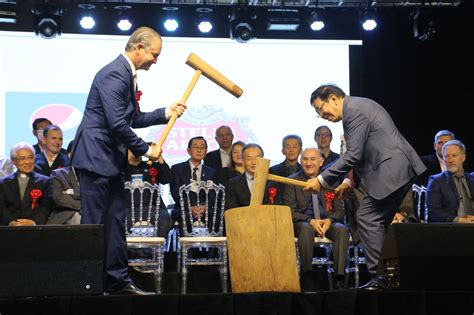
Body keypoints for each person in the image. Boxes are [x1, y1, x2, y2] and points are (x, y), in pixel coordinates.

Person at [70, 26, 186, 295]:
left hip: (109, 160)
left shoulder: (127, 75)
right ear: (138, 48)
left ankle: (117, 281)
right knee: (95, 224)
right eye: (154, 55)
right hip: (96, 156)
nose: (155, 61)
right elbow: (116, 124)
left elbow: (132, 118)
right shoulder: (114, 73)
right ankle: (87, 285)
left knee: (114, 223)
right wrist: (146, 149)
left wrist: (165, 112)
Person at [305, 84, 426, 290]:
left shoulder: (354, 111)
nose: (321, 115)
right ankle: (394, 275)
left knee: (367, 217)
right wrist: (349, 184)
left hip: (392, 170)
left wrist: (322, 180)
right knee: (378, 224)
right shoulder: (357, 108)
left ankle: (382, 278)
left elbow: (353, 155)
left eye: (319, 109)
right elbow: (362, 156)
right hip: (395, 170)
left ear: (334, 98)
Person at [283, 147, 349, 290]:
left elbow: (340, 211)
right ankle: (307, 275)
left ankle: (339, 278)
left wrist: (329, 220)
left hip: (326, 222)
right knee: (306, 229)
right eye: (305, 159)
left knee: (341, 230)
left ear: (321, 161)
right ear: (300, 162)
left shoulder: (330, 181)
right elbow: (289, 211)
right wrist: (310, 220)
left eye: (313, 159)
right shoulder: (292, 181)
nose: (308, 163)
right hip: (303, 223)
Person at [170, 136, 217, 231]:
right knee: (185, 218)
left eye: (202, 147)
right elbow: (175, 193)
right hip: (183, 208)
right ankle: (187, 246)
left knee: (216, 217)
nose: (199, 150)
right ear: (188, 150)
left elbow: (213, 195)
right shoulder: (177, 169)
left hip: (205, 209)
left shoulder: (211, 172)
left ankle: (212, 245)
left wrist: (205, 207)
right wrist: (190, 208)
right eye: (196, 147)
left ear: (206, 151)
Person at [125, 148, 173, 237]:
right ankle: (129, 250)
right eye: (133, 148)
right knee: (116, 221)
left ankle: (156, 248)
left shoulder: (150, 165)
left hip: (152, 208)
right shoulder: (121, 168)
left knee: (165, 219)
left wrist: (159, 156)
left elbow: (166, 179)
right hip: (127, 209)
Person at [0, 142, 51, 226]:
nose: (27, 162)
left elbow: (45, 207)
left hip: (35, 229)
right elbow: (2, 207)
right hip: (9, 230)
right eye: (22, 158)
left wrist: (34, 222)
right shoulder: (3, 183)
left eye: (30, 157)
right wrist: (12, 222)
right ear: (13, 161)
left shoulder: (44, 182)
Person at [426, 140, 474, 223]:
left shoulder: (472, 178)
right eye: (447, 156)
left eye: (454, 156)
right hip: (451, 229)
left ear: (463, 158)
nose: (450, 160)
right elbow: (433, 211)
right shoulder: (436, 181)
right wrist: (459, 220)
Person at [225, 143, 279, 209]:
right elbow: (230, 211)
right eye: (249, 159)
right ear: (243, 160)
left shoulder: (272, 183)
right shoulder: (233, 184)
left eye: (257, 158)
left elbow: (276, 208)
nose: (253, 162)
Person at [47, 140, 81, 225]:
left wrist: (71, 192)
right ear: (69, 155)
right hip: (65, 219)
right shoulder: (58, 174)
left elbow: (95, 197)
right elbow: (58, 198)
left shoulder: (93, 176)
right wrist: (84, 204)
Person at [269, 135, 303, 201]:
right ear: (283, 151)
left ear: (301, 150)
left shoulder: (305, 171)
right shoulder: (273, 171)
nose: (291, 150)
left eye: (294, 147)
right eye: (288, 147)